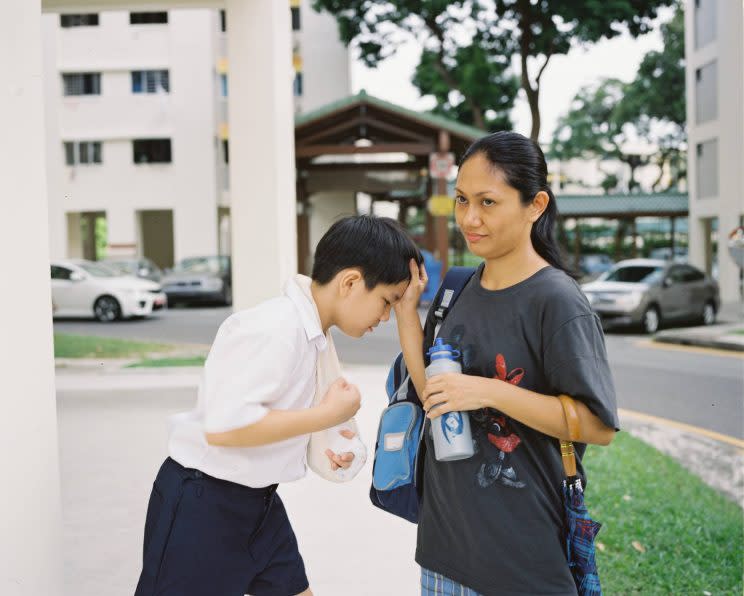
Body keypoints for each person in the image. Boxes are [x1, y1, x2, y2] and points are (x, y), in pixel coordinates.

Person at [135, 215, 422, 596]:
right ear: (350, 282)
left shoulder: (312, 335)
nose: (384, 317)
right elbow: (225, 427)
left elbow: (274, 414)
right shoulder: (274, 328)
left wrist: (320, 441)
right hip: (203, 505)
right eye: (385, 301)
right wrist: (326, 415)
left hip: (258, 504)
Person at [395, 131, 619, 596]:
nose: (469, 218)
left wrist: (490, 391)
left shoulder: (556, 300)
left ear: (535, 205)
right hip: (444, 554)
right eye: (460, 200)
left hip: (521, 564)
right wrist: (405, 316)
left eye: (488, 202)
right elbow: (435, 399)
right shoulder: (458, 288)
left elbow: (598, 427)